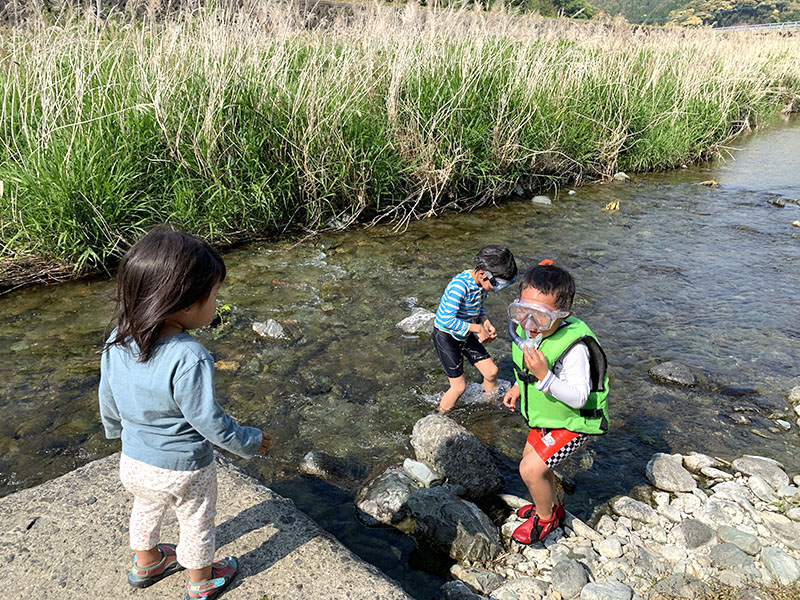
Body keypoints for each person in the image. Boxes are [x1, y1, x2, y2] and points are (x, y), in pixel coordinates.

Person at [99, 226, 271, 600]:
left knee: (145, 508)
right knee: (195, 521)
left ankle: (146, 563)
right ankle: (201, 580)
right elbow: (209, 421)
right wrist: (249, 441)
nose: (216, 303)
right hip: (183, 468)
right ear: (184, 303)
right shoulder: (188, 355)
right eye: (214, 295)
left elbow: (108, 397)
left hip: (134, 461)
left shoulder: (116, 339)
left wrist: (118, 432)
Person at [502, 261, 608, 544]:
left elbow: (579, 396)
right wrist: (517, 386)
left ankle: (546, 520)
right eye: (522, 312)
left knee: (531, 469)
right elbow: (526, 370)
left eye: (541, 317)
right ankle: (547, 505)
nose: (529, 324)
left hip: (574, 421)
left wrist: (545, 377)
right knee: (532, 463)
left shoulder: (574, 350)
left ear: (563, 316)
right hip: (548, 416)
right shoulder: (530, 333)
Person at [433, 245, 517, 413]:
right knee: (459, 387)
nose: (496, 290)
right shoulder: (459, 286)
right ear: (482, 274)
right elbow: (445, 319)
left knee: (492, 372)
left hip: (465, 332)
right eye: (497, 285)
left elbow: (477, 306)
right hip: (446, 336)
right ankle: (438, 416)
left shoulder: (480, 284)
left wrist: (484, 321)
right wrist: (477, 328)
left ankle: (488, 407)